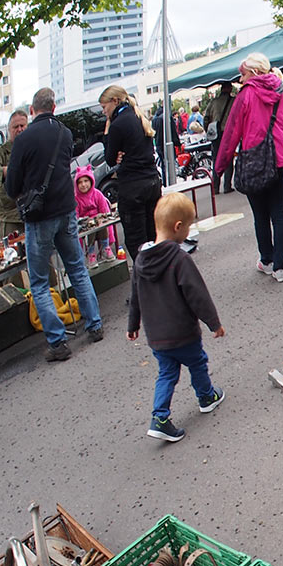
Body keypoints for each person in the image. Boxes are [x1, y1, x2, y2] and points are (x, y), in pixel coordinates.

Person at [5, 87, 104, 362]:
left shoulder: (23, 141)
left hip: (39, 218)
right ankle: (94, 324)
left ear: (33, 110)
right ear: (54, 107)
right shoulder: (65, 133)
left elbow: (12, 186)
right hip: (66, 209)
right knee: (77, 268)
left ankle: (58, 342)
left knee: (38, 281)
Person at [126, 193, 225, 443]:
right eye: (188, 226)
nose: (188, 231)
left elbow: (135, 296)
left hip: (157, 337)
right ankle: (206, 397)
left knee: (167, 373)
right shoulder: (179, 259)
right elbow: (197, 295)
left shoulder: (140, 260)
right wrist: (214, 323)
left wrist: (132, 325)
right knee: (197, 362)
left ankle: (159, 417)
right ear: (178, 226)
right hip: (183, 332)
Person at [215, 52, 283, 283]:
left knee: (260, 215)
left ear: (254, 72)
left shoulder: (246, 95)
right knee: (280, 214)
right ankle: (281, 267)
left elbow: (231, 133)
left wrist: (220, 167)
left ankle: (267, 260)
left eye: (243, 74)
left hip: (255, 162)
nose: (240, 80)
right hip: (281, 160)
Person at [99, 84, 161, 261]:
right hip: (152, 181)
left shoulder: (117, 125)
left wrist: (106, 135)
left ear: (115, 101)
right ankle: (160, 276)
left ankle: (147, 280)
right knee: (153, 234)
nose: (104, 112)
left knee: (136, 240)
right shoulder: (138, 117)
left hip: (133, 186)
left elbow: (110, 158)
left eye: (104, 107)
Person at [0, 109, 30, 240]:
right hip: (10, 216)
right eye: (15, 127)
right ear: (9, 130)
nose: (19, 129)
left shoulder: (33, 146)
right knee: (10, 255)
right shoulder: (1, 152)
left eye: (22, 126)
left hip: (33, 210)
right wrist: (12, 171)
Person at [73, 166, 114, 265]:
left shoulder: (97, 194)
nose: (83, 184)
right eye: (80, 182)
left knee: (102, 225)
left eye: (86, 181)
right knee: (90, 229)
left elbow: (105, 212)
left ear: (91, 181)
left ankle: (105, 248)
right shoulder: (76, 199)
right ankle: (91, 253)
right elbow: (75, 218)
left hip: (100, 224)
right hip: (86, 228)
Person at [204, 82, 236, 194]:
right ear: (229, 89)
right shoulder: (233, 101)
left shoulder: (213, 102)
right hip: (228, 133)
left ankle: (215, 187)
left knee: (216, 159)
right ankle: (227, 186)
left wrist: (208, 130)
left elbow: (206, 118)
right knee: (228, 159)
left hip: (215, 134)